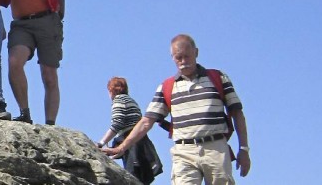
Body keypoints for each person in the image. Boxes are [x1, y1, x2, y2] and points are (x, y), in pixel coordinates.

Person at [103, 34, 251, 184]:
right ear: (172, 57)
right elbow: (146, 121)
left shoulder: (218, 78)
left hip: (216, 148)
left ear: (196, 52)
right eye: (178, 58)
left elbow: (237, 113)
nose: (183, 62)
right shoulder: (167, 87)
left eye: (187, 56)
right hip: (183, 151)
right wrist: (121, 148)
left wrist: (244, 149)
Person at [97, 77, 163, 185]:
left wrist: (101, 143)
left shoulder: (118, 100)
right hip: (141, 141)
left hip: (131, 143)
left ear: (112, 90)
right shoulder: (131, 101)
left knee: (133, 176)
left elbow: (117, 124)